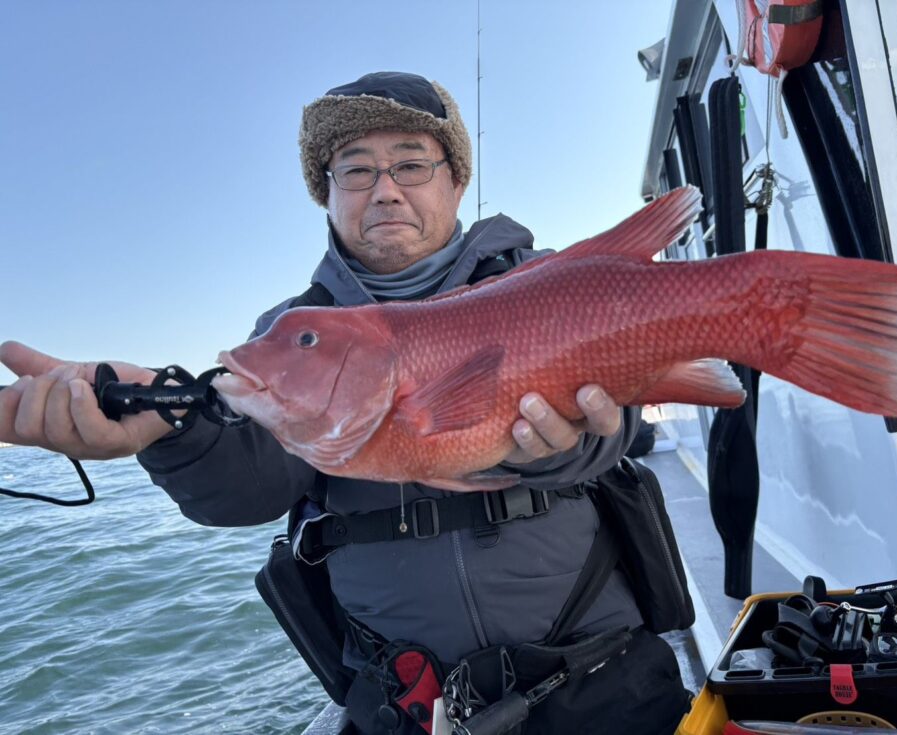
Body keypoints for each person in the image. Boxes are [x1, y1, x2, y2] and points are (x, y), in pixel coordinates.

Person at [0, 71, 689, 733]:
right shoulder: (293, 333)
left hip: (601, 671)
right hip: (411, 702)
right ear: (326, 195)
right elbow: (249, 485)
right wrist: (169, 431)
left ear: (456, 181)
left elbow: (617, 425)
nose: (385, 190)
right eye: (356, 170)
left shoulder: (541, 278)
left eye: (411, 164)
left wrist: (563, 445)